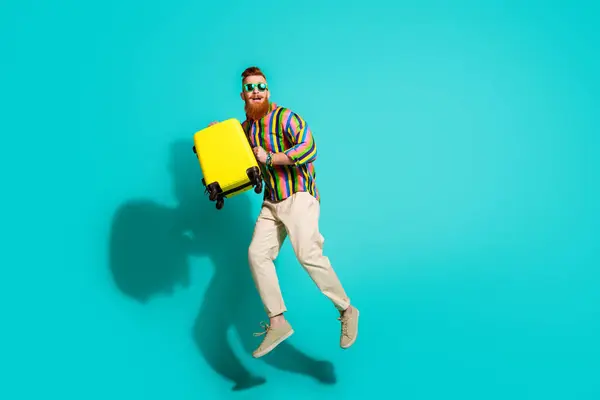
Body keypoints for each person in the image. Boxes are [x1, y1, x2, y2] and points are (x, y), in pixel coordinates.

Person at [209, 66, 359, 358]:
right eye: (250, 88)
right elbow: (236, 156)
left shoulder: (284, 116)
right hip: (271, 202)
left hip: (298, 196)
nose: (256, 92)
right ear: (243, 94)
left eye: (261, 87)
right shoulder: (246, 129)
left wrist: (272, 157)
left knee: (308, 254)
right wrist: (219, 137)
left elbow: (309, 147)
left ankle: (347, 309)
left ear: (268, 91)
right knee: (256, 254)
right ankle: (277, 321)